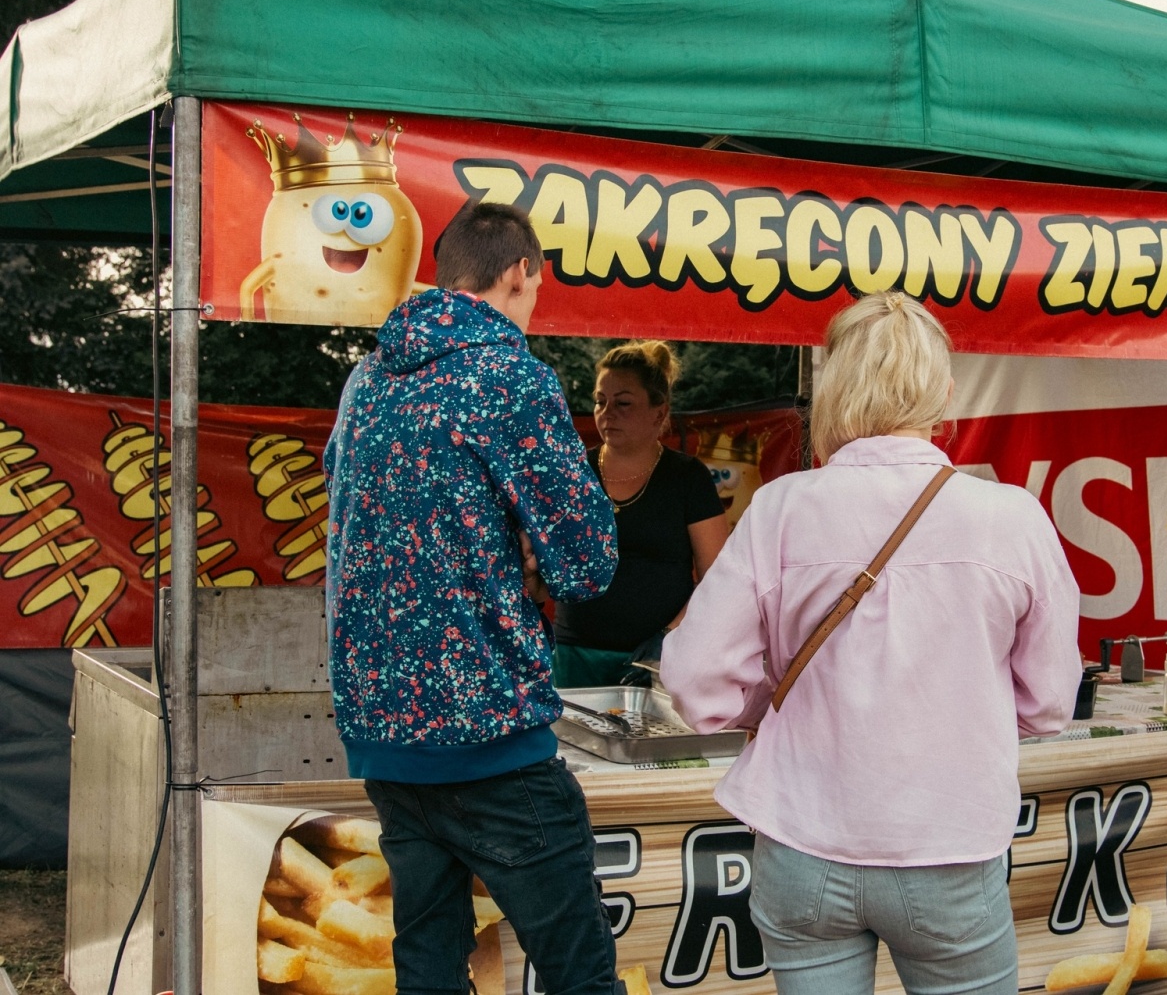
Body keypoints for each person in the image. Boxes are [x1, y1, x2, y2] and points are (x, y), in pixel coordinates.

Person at [660, 292, 1081, 995]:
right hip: (949, 843)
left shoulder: (781, 509)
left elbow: (696, 679)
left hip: (801, 841)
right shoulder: (1011, 518)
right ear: (941, 391)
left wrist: (773, 703)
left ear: (835, 389)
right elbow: (1048, 705)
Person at [324, 201, 625, 995]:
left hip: (382, 731)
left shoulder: (366, 379)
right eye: (536, 286)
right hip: (486, 731)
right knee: (579, 973)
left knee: (427, 964)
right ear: (520, 271)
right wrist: (525, 548)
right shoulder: (508, 374)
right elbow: (588, 560)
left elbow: (362, 511)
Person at [552, 341, 729, 686]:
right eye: (601, 401)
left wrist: (667, 639)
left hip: (654, 661)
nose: (607, 412)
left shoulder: (687, 477)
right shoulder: (573, 471)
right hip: (574, 654)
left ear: (659, 413)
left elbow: (717, 578)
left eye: (623, 403)